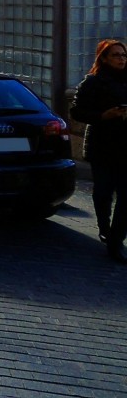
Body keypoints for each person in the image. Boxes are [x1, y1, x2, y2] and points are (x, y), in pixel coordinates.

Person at [70, 38, 127, 263]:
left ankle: (116, 241)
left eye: (124, 55)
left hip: (126, 147)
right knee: (103, 192)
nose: (121, 59)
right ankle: (104, 227)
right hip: (102, 146)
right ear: (103, 58)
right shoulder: (93, 82)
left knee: (125, 196)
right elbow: (77, 112)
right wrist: (103, 116)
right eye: (116, 55)